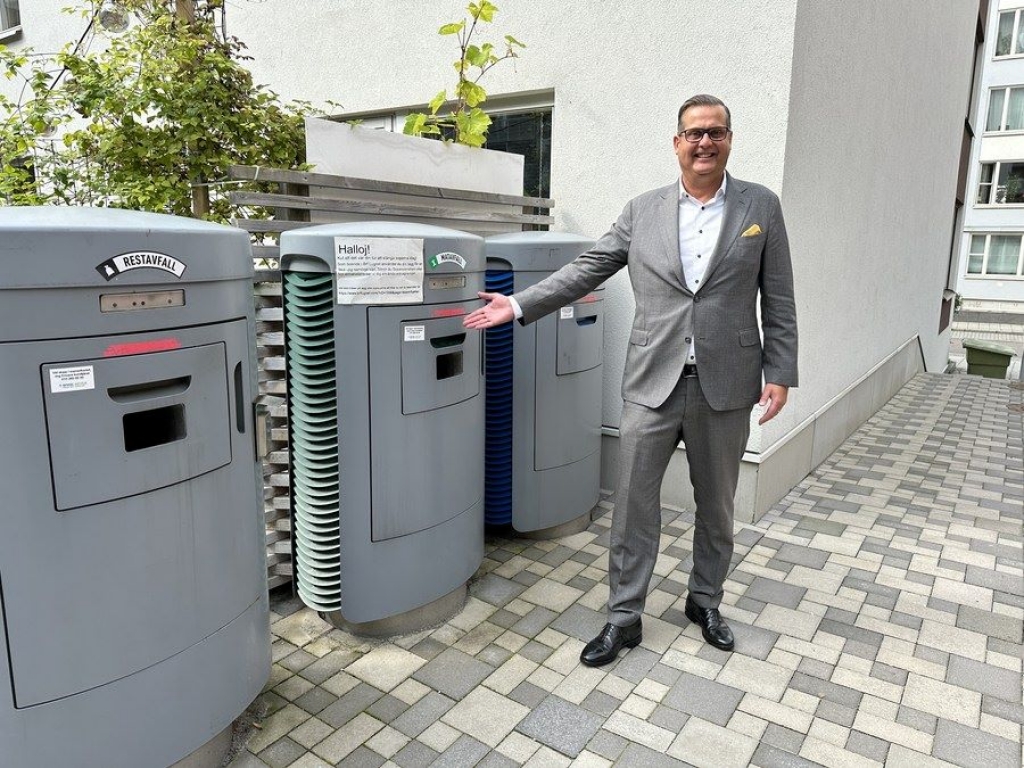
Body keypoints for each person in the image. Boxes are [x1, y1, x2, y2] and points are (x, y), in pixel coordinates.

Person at [464, 94, 798, 666]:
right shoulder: (642, 210)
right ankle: (624, 616)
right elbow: (587, 267)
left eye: (715, 132)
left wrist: (782, 371)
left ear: (729, 140)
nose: (704, 142)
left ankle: (705, 600)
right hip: (652, 382)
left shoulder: (759, 206)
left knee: (716, 506)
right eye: (693, 133)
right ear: (676, 143)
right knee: (632, 506)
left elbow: (781, 296)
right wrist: (518, 306)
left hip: (728, 383)